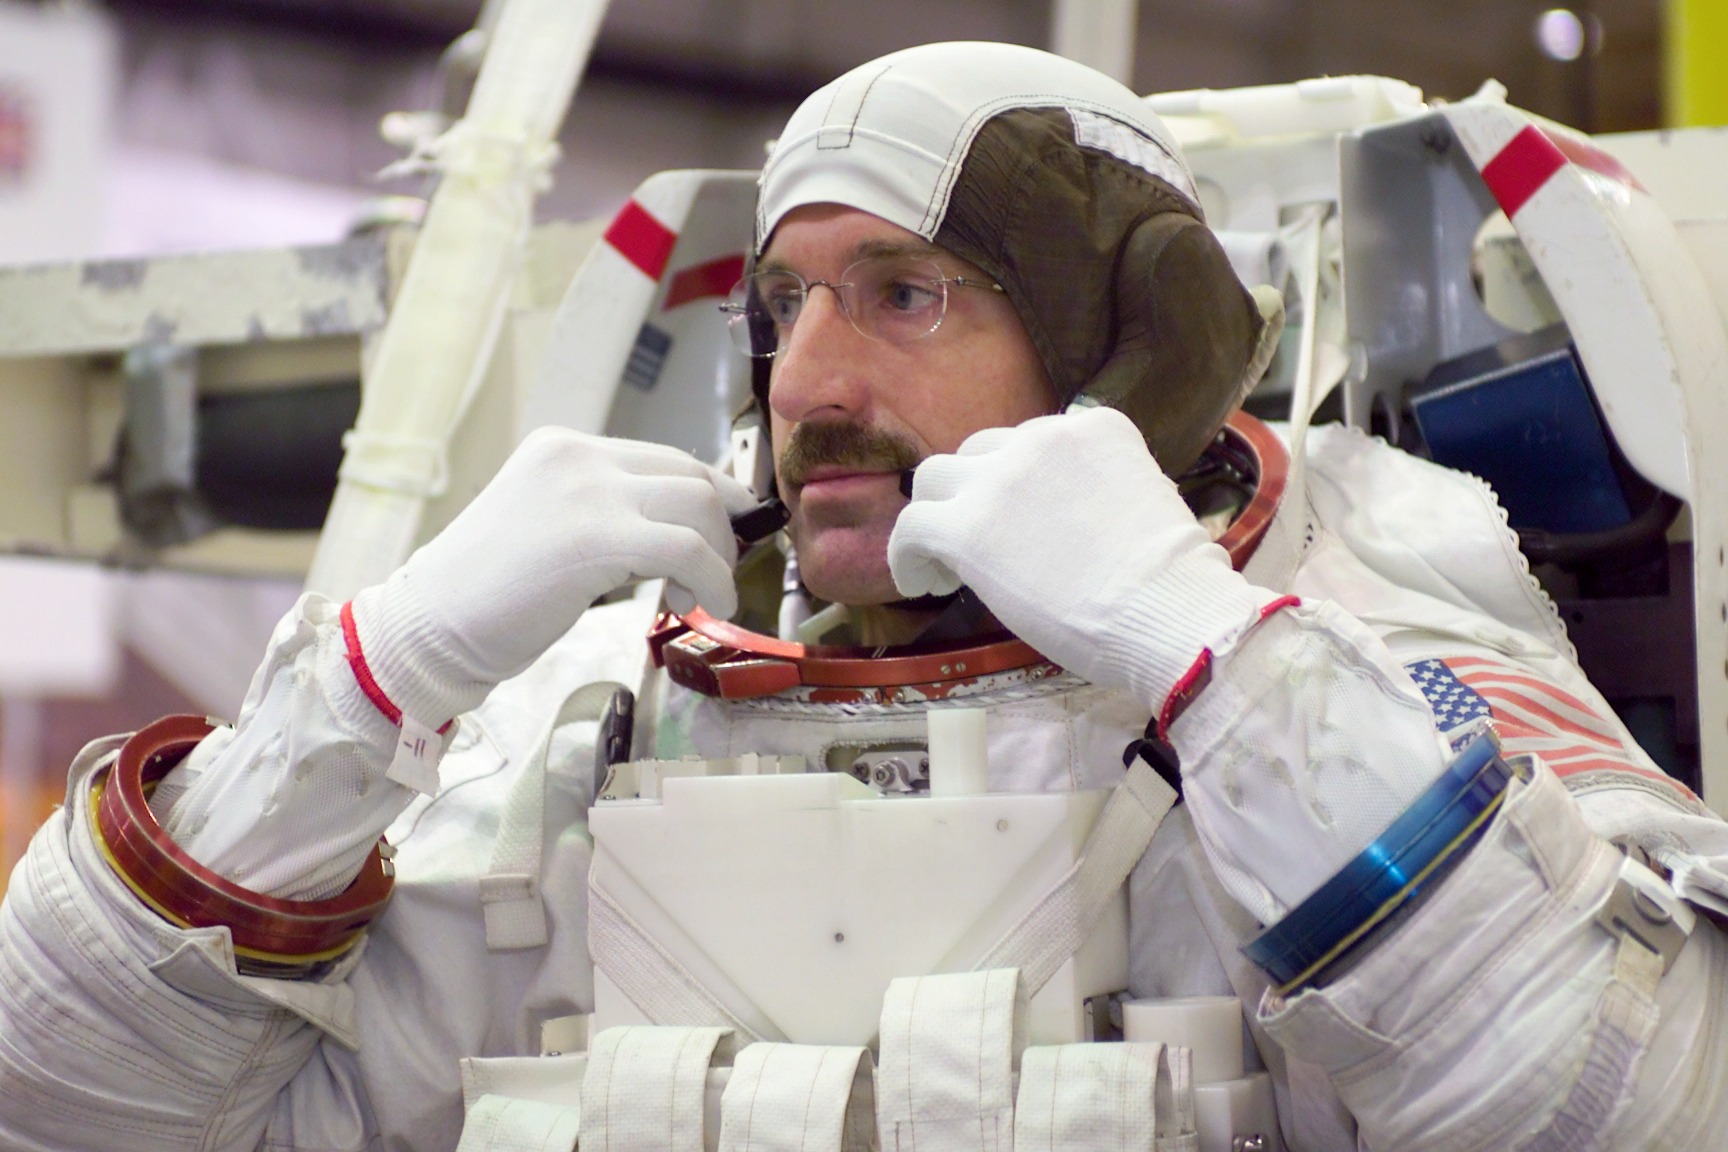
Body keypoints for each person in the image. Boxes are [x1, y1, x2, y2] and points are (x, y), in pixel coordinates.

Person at [4, 40, 1727, 1152]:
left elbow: (1641, 1108)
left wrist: (1198, 648)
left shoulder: (1359, 618)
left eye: (905, 295)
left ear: (1122, 350)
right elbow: (73, 1111)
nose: (806, 380)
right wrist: (358, 697)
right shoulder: (597, 718)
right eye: (784, 303)